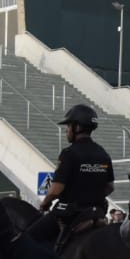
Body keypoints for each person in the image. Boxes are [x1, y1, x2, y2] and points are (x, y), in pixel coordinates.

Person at [28, 105, 113, 248]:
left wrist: (45, 203)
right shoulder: (103, 153)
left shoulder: (69, 153)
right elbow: (110, 187)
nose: (66, 130)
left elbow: (56, 190)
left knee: (28, 239)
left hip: (70, 215)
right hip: (96, 214)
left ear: (77, 127)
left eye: (68, 125)